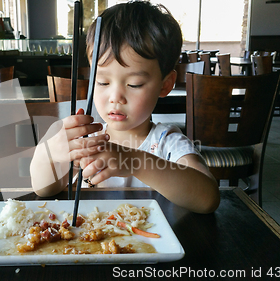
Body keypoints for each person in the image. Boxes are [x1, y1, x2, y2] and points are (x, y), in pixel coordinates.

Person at [30, 1, 219, 214]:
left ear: (165, 84)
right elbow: (45, 190)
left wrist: (135, 162)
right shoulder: (85, 141)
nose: (115, 97)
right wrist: (48, 154)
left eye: (134, 84)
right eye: (102, 82)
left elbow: (208, 199)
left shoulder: (167, 142)